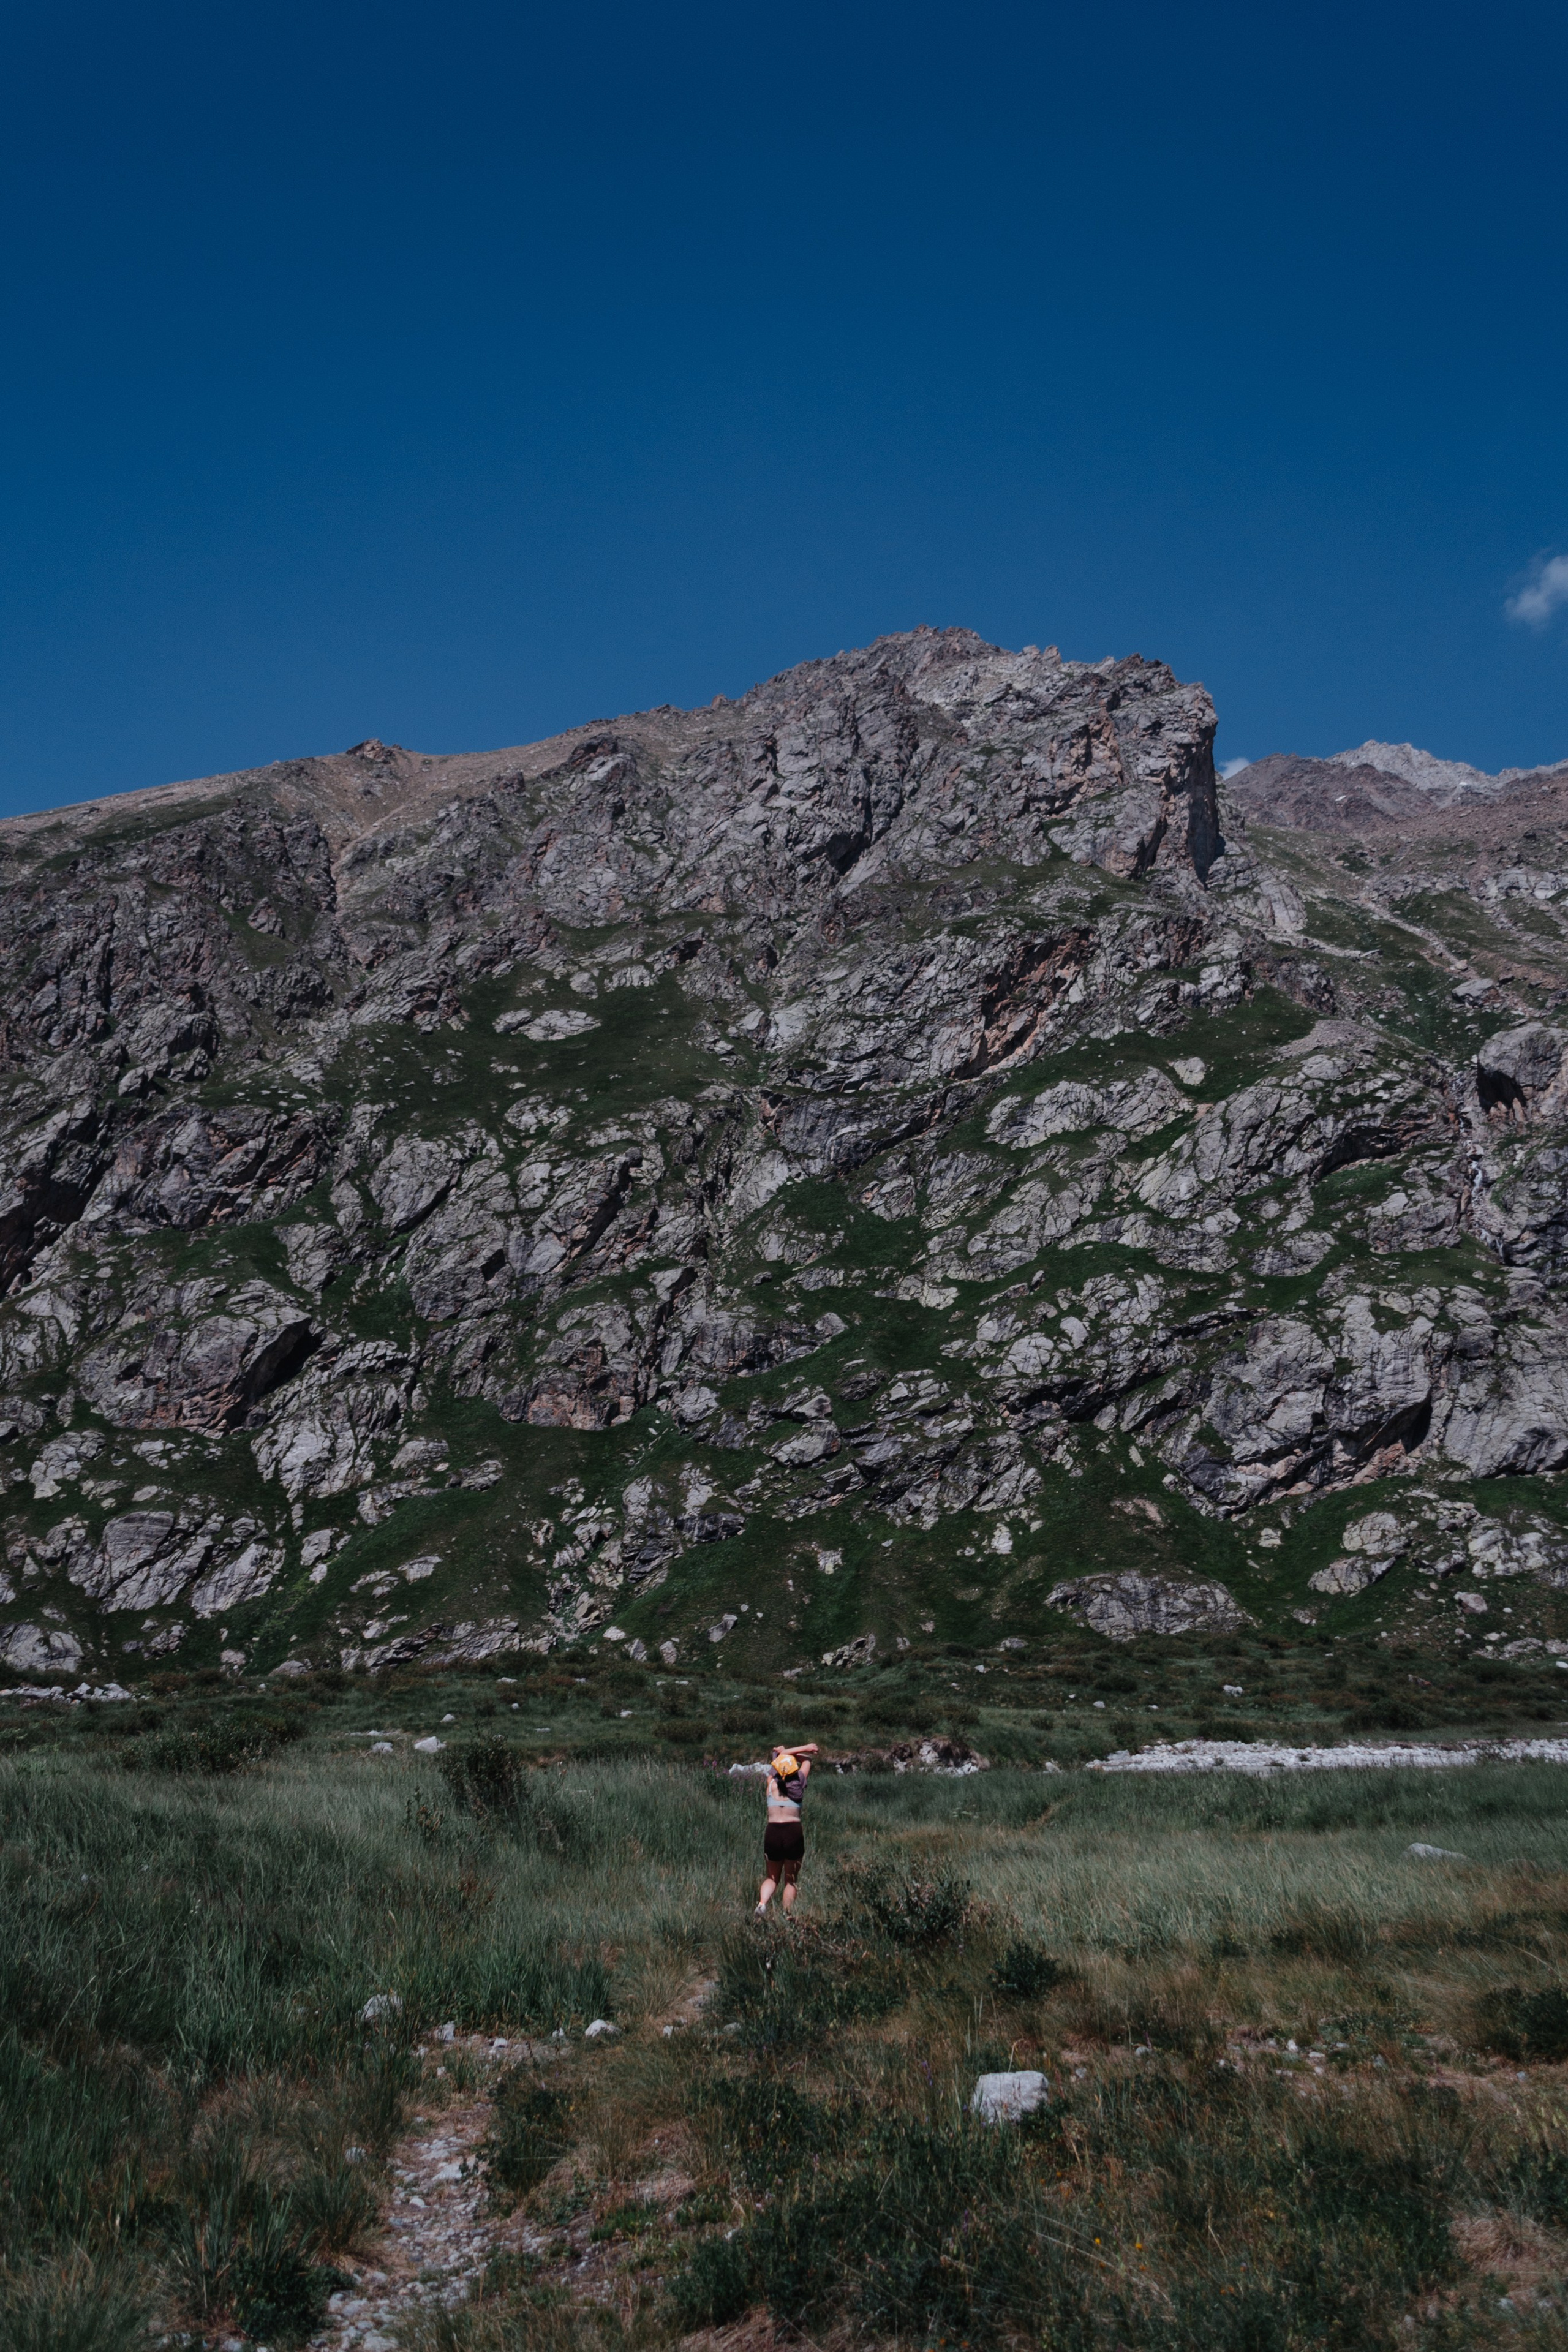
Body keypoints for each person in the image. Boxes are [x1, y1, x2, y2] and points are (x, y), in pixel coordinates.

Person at [755, 1741, 820, 1918]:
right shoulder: (799, 1781)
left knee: (772, 1878)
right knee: (790, 1880)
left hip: (773, 1832)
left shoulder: (770, 1783)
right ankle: (787, 1915)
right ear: (793, 1770)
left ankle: (762, 1904)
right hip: (793, 1830)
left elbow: (778, 1759)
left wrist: (784, 1752)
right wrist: (804, 1750)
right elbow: (807, 1761)